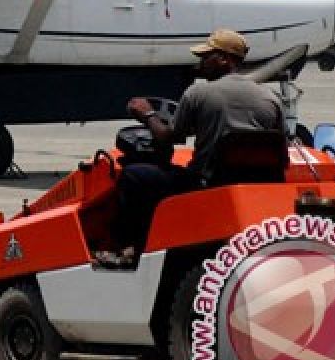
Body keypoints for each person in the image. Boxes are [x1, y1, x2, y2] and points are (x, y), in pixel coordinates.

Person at [97, 28, 284, 267]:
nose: (201, 62)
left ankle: (130, 248)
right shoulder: (269, 98)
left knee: (134, 176)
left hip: (208, 183)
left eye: (207, 57)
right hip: (255, 187)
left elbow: (167, 138)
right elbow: (279, 142)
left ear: (225, 59)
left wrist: (148, 115)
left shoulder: (199, 93)